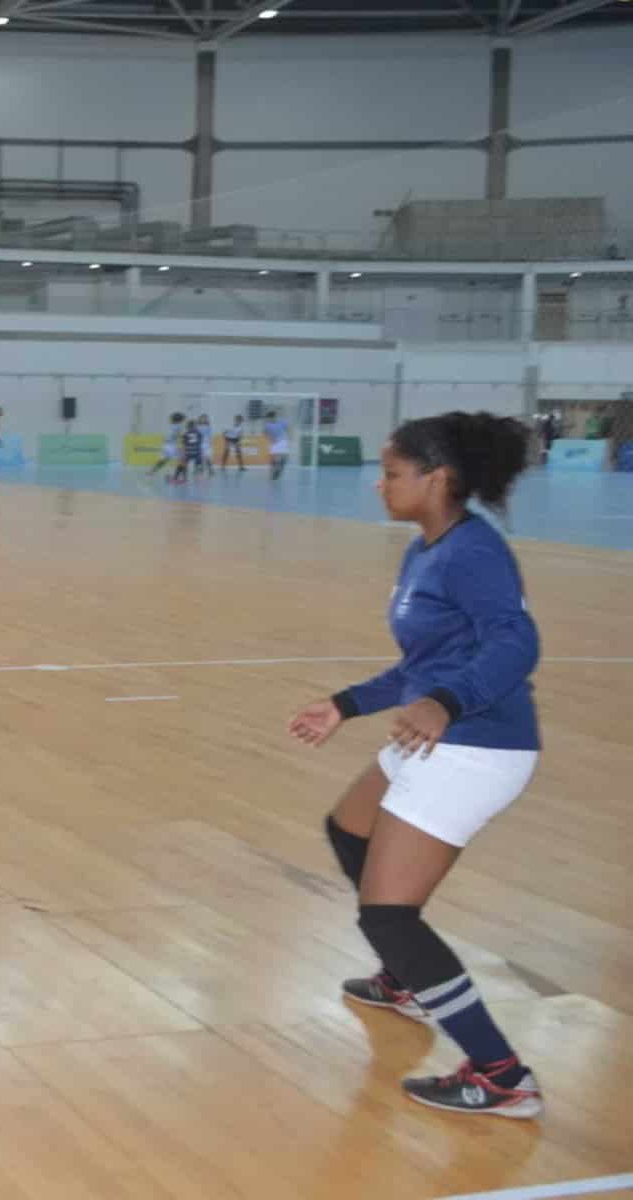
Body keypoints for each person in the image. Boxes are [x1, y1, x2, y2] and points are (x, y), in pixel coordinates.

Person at [288, 413, 542, 1118]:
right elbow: (419, 666)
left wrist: (447, 703)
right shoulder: (424, 552)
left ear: (438, 479)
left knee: (389, 914)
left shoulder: (474, 553)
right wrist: (345, 702)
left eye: (393, 472)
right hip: (438, 734)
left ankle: (500, 1073)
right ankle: (408, 980)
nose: (379, 483)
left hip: (478, 745)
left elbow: (516, 644)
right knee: (348, 831)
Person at [174, 416, 205, 484]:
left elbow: (183, 444)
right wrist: (201, 452)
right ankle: (201, 478)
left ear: (188, 426)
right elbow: (200, 442)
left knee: (182, 464)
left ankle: (178, 478)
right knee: (199, 464)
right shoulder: (199, 433)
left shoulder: (185, 434)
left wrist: (182, 453)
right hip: (197, 452)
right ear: (194, 426)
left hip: (188, 451)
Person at [264, 408, 291, 479]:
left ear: (274, 417)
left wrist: (290, 437)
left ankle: (279, 469)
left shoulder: (282, 422)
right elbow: (265, 433)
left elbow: (288, 429)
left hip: (282, 441)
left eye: (270, 418)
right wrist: (270, 438)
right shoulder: (267, 425)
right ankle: (275, 472)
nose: (269, 420)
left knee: (283, 458)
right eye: (268, 419)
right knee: (274, 458)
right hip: (274, 442)